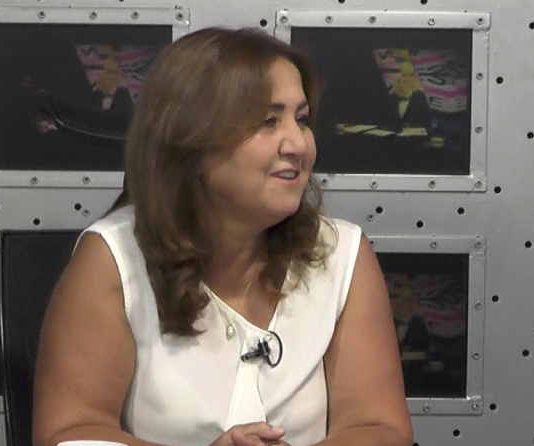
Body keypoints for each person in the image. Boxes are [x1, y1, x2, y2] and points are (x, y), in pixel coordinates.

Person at [33, 27, 413, 446]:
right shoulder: (112, 258)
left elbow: (379, 429)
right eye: (269, 121)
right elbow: (71, 433)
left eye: (301, 119)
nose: (298, 144)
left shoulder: (342, 254)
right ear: (192, 139)